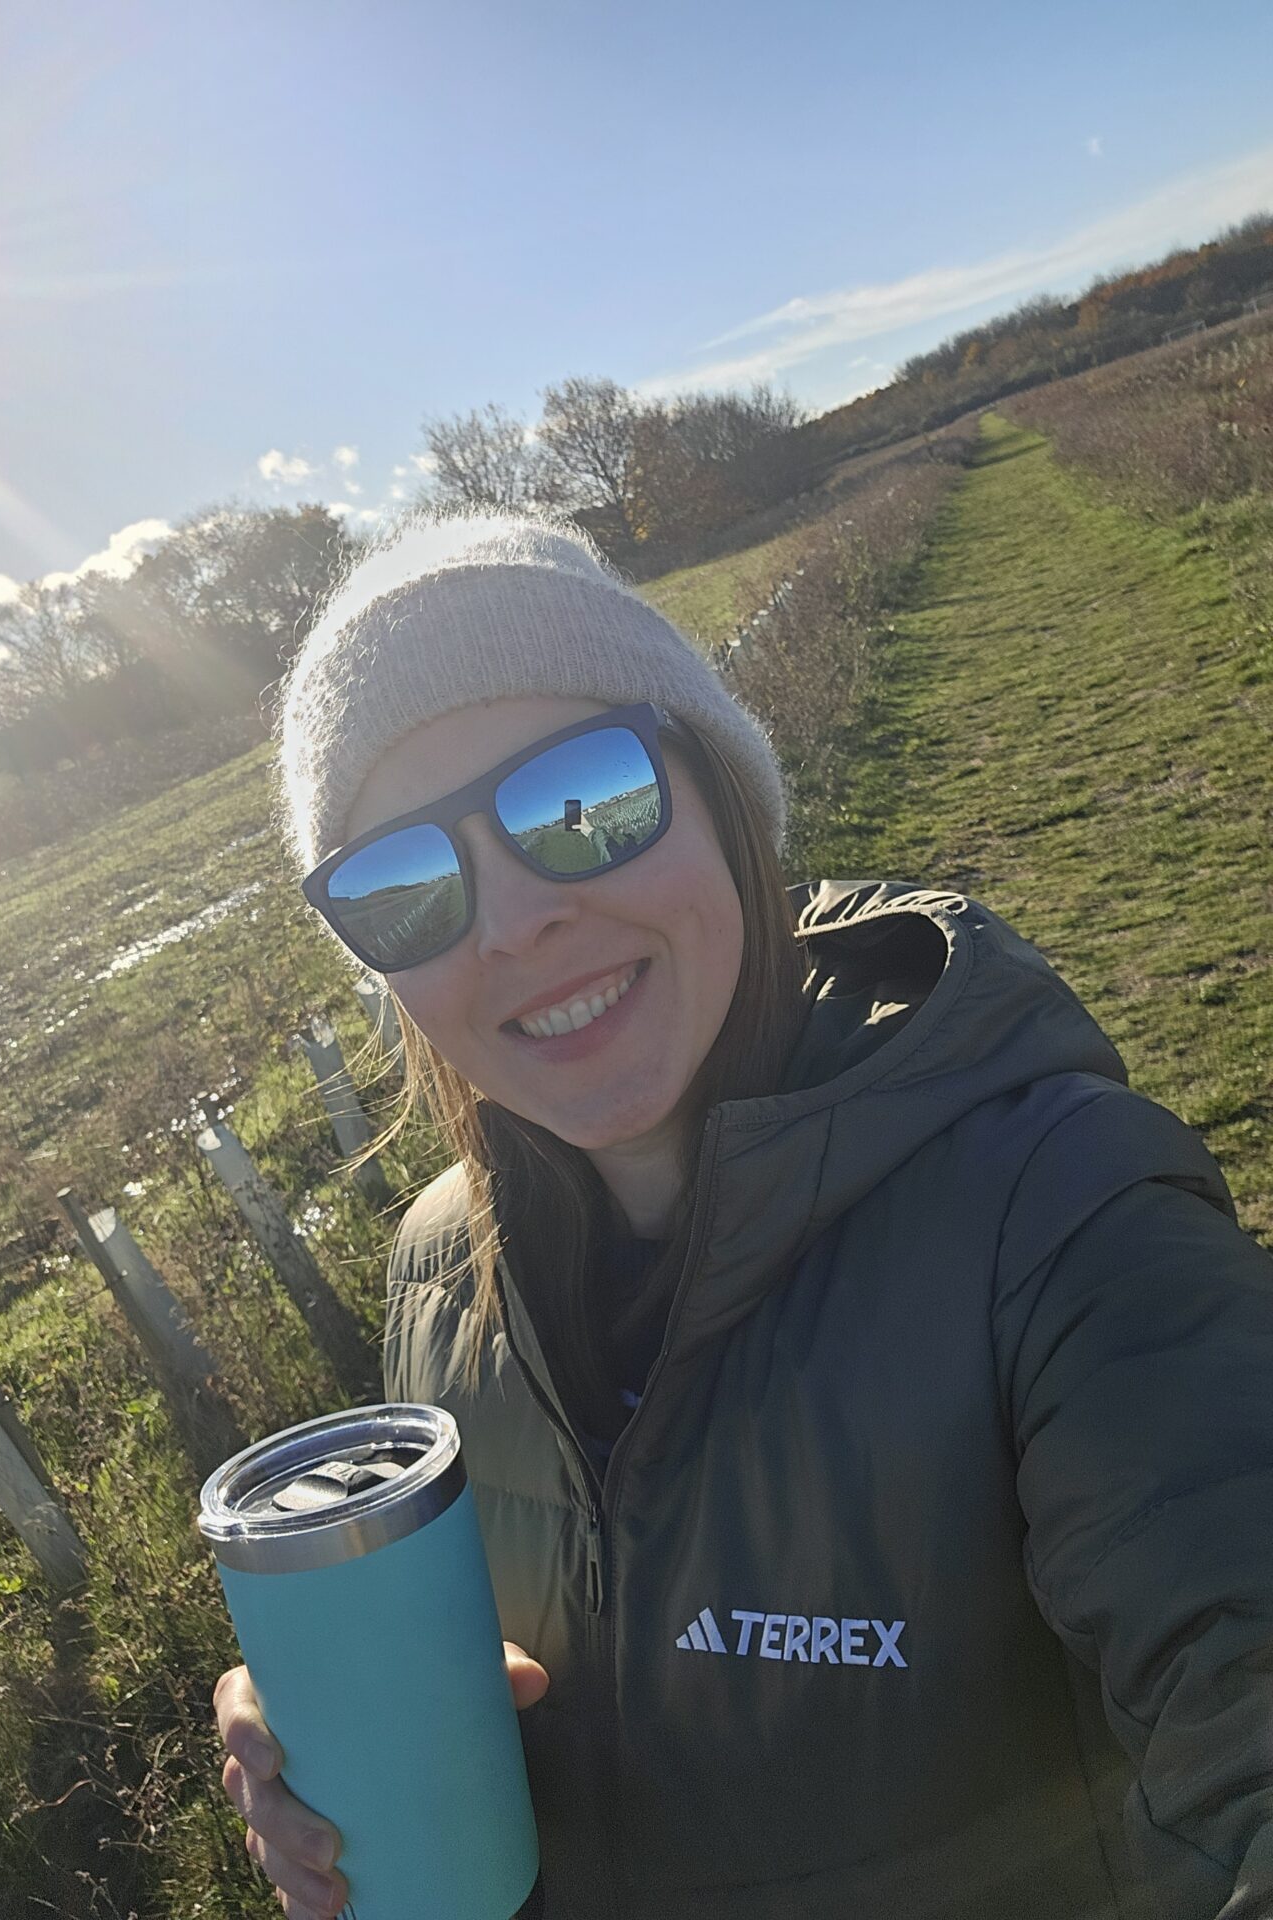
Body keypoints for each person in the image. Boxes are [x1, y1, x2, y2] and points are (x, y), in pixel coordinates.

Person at [213, 509, 1273, 1920]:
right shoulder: (434, 1276)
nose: (513, 923)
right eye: (403, 887)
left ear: (718, 788)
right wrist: (352, 1758)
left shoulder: (1069, 1215)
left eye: (578, 799)